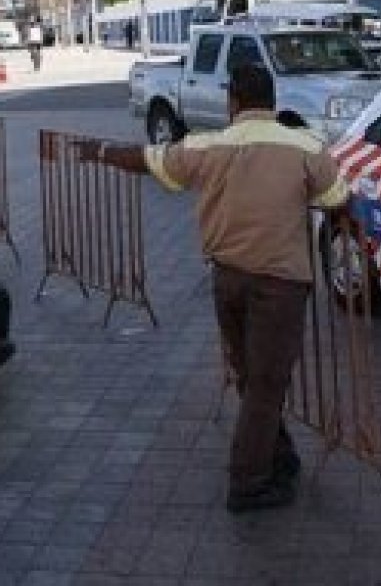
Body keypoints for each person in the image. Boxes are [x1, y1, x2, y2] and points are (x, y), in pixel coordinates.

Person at [76, 64, 350, 513]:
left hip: (228, 280)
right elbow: (339, 198)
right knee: (267, 381)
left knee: (250, 376)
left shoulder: (208, 145)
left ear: (233, 103)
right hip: (280, 286)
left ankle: (277, 454)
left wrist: (98, 150)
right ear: (273, 101)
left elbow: (147, 160)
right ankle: (248, 482)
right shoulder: (306, 146)